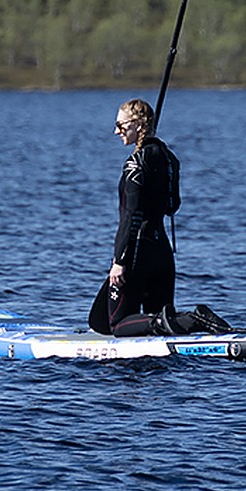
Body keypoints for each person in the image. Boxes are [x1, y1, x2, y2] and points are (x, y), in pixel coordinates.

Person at [88, 99, 181, 337]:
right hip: (163, 252)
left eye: (121, 125)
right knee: (160, 319)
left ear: (139, 125)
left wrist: (119, 262)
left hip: (138, 252)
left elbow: (130, 217)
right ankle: (187, 321)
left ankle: (184, 319)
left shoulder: (134, 164)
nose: (116, 131)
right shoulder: (169, 159)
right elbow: (173, 206)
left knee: (113, 325)